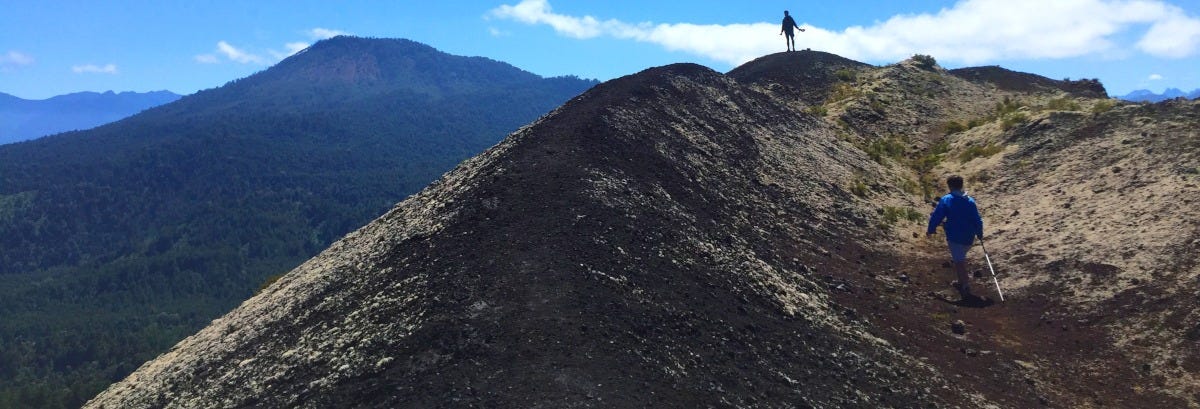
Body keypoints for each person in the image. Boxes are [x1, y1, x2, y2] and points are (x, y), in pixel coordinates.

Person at [926, 175, 984, 300]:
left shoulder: (947, 199)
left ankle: (966, 285)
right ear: (961, 185)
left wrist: (931, 229)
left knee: (959, 262)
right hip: (969, 235)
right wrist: (979, 233)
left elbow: (937, 215)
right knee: (960, 258)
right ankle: (960, 282)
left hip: (954, 235)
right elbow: (977, 219)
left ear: (950, 186)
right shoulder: (970, 200)